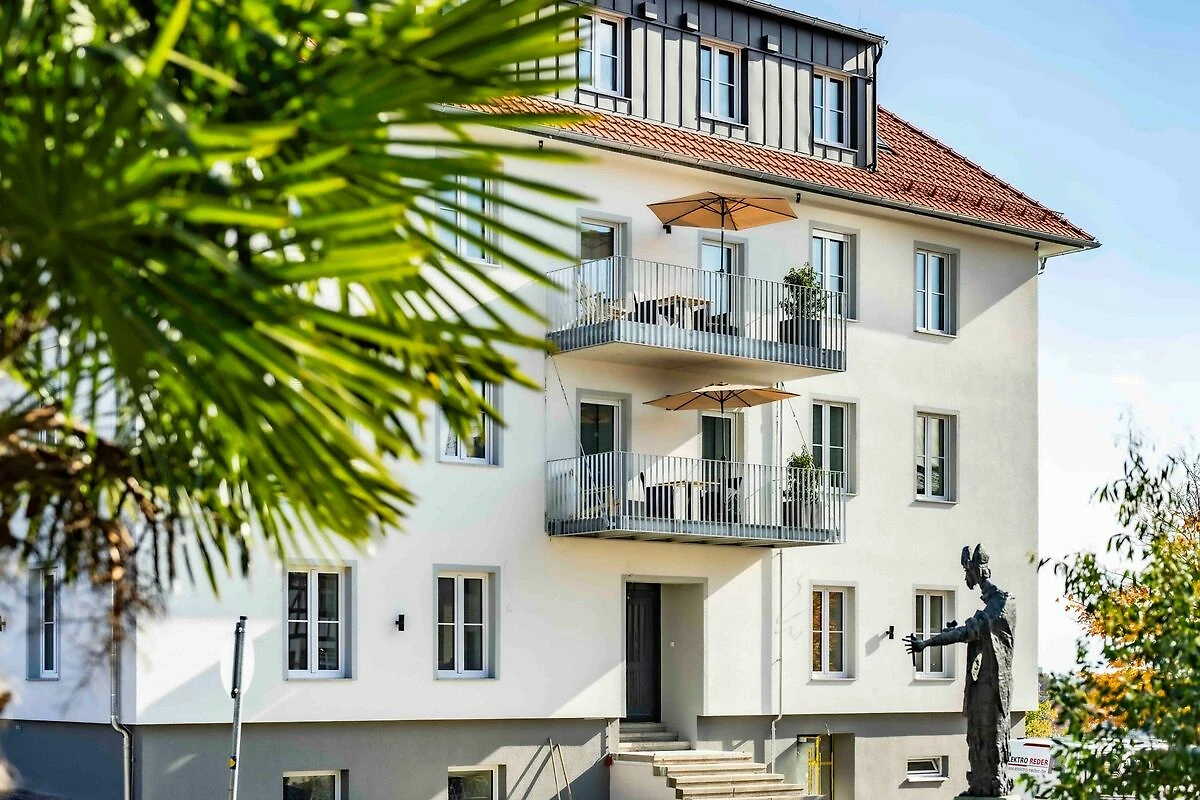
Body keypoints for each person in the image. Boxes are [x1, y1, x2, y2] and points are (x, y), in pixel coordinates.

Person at [905, 544, 1017, 797]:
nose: (966, 577)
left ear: (977, 571)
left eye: (967, 571)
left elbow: (970, 632)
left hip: (994, 684)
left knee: (991, 732)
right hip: (980, 683)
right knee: (976, 732)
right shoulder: (991, 604)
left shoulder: (1002, 601)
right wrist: (950, 633)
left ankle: (994, 782)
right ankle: (979, 782)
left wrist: (927, 643)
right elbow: (970, 632)